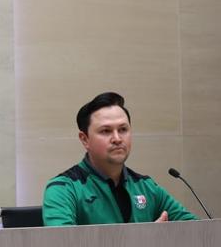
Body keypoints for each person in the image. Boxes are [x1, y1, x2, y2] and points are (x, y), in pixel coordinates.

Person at [42, 92, 198, 226]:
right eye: (106, 131)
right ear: (85, 139)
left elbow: (197, 231)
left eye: (123, 129)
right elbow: (63, 246)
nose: (117, 138)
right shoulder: (63, 189)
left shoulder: (145, 186)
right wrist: (147, 239)